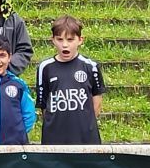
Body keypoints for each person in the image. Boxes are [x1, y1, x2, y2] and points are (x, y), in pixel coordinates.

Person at [36, 15, 106, 145]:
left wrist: (85, 125)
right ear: (53, 40)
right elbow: (44, 106)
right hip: (54, 139)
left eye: (70, 40)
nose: (65, 45)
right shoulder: (45, 68)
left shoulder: (91, 66)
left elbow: (96, 102)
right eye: (60, 39)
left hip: (85, 139)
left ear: (80, 40)